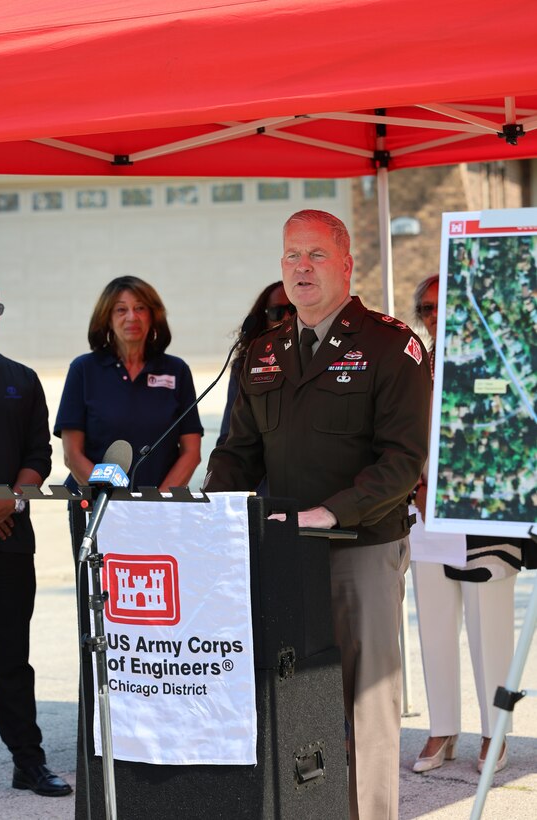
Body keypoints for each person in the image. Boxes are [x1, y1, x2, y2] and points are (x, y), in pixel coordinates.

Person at [204, 210, 431, 820]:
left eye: (316, 255)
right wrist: (212, 515)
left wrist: (331, 514)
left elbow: (403, 460)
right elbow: (237, 453)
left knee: (367, 703)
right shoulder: (261, 353)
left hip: (361, 549)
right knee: (293, 701)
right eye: (291, 256)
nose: (301, 268)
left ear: (347, 264)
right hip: (282, 555)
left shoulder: (392, 345)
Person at [410, 274, 520, 774]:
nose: (434, 315)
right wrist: (415, 484)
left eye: (443, 305)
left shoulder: (495, 358)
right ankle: (442, 728)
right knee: (433, 625)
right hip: (421, 509)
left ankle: (494, 732)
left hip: (482, 513)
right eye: (426, 308)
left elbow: (505, 431)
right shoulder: (414, 363)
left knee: (489, 626)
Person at [0, 279, 73, 797]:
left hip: (9, 542)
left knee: (12, 660)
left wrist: (9, 502)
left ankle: (28, 761)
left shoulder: (20, 379)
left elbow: (38, 456)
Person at [54, 276, 203, 501]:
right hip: (94, 505)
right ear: (107, 318)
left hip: (158, 509)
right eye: (121, 310)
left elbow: (191, 453)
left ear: (153, 316)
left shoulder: (176, 370)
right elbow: (72, 454)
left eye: (140, 308)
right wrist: (107, 499)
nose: (132, 317)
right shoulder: (83, 369)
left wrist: (157, 503)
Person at [217, 280, 294, 446]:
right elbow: (229, 435)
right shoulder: (245, 365)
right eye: (277, 312)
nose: (287, 318)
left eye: (295, 309)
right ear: (264, 319)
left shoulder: (322, 360)